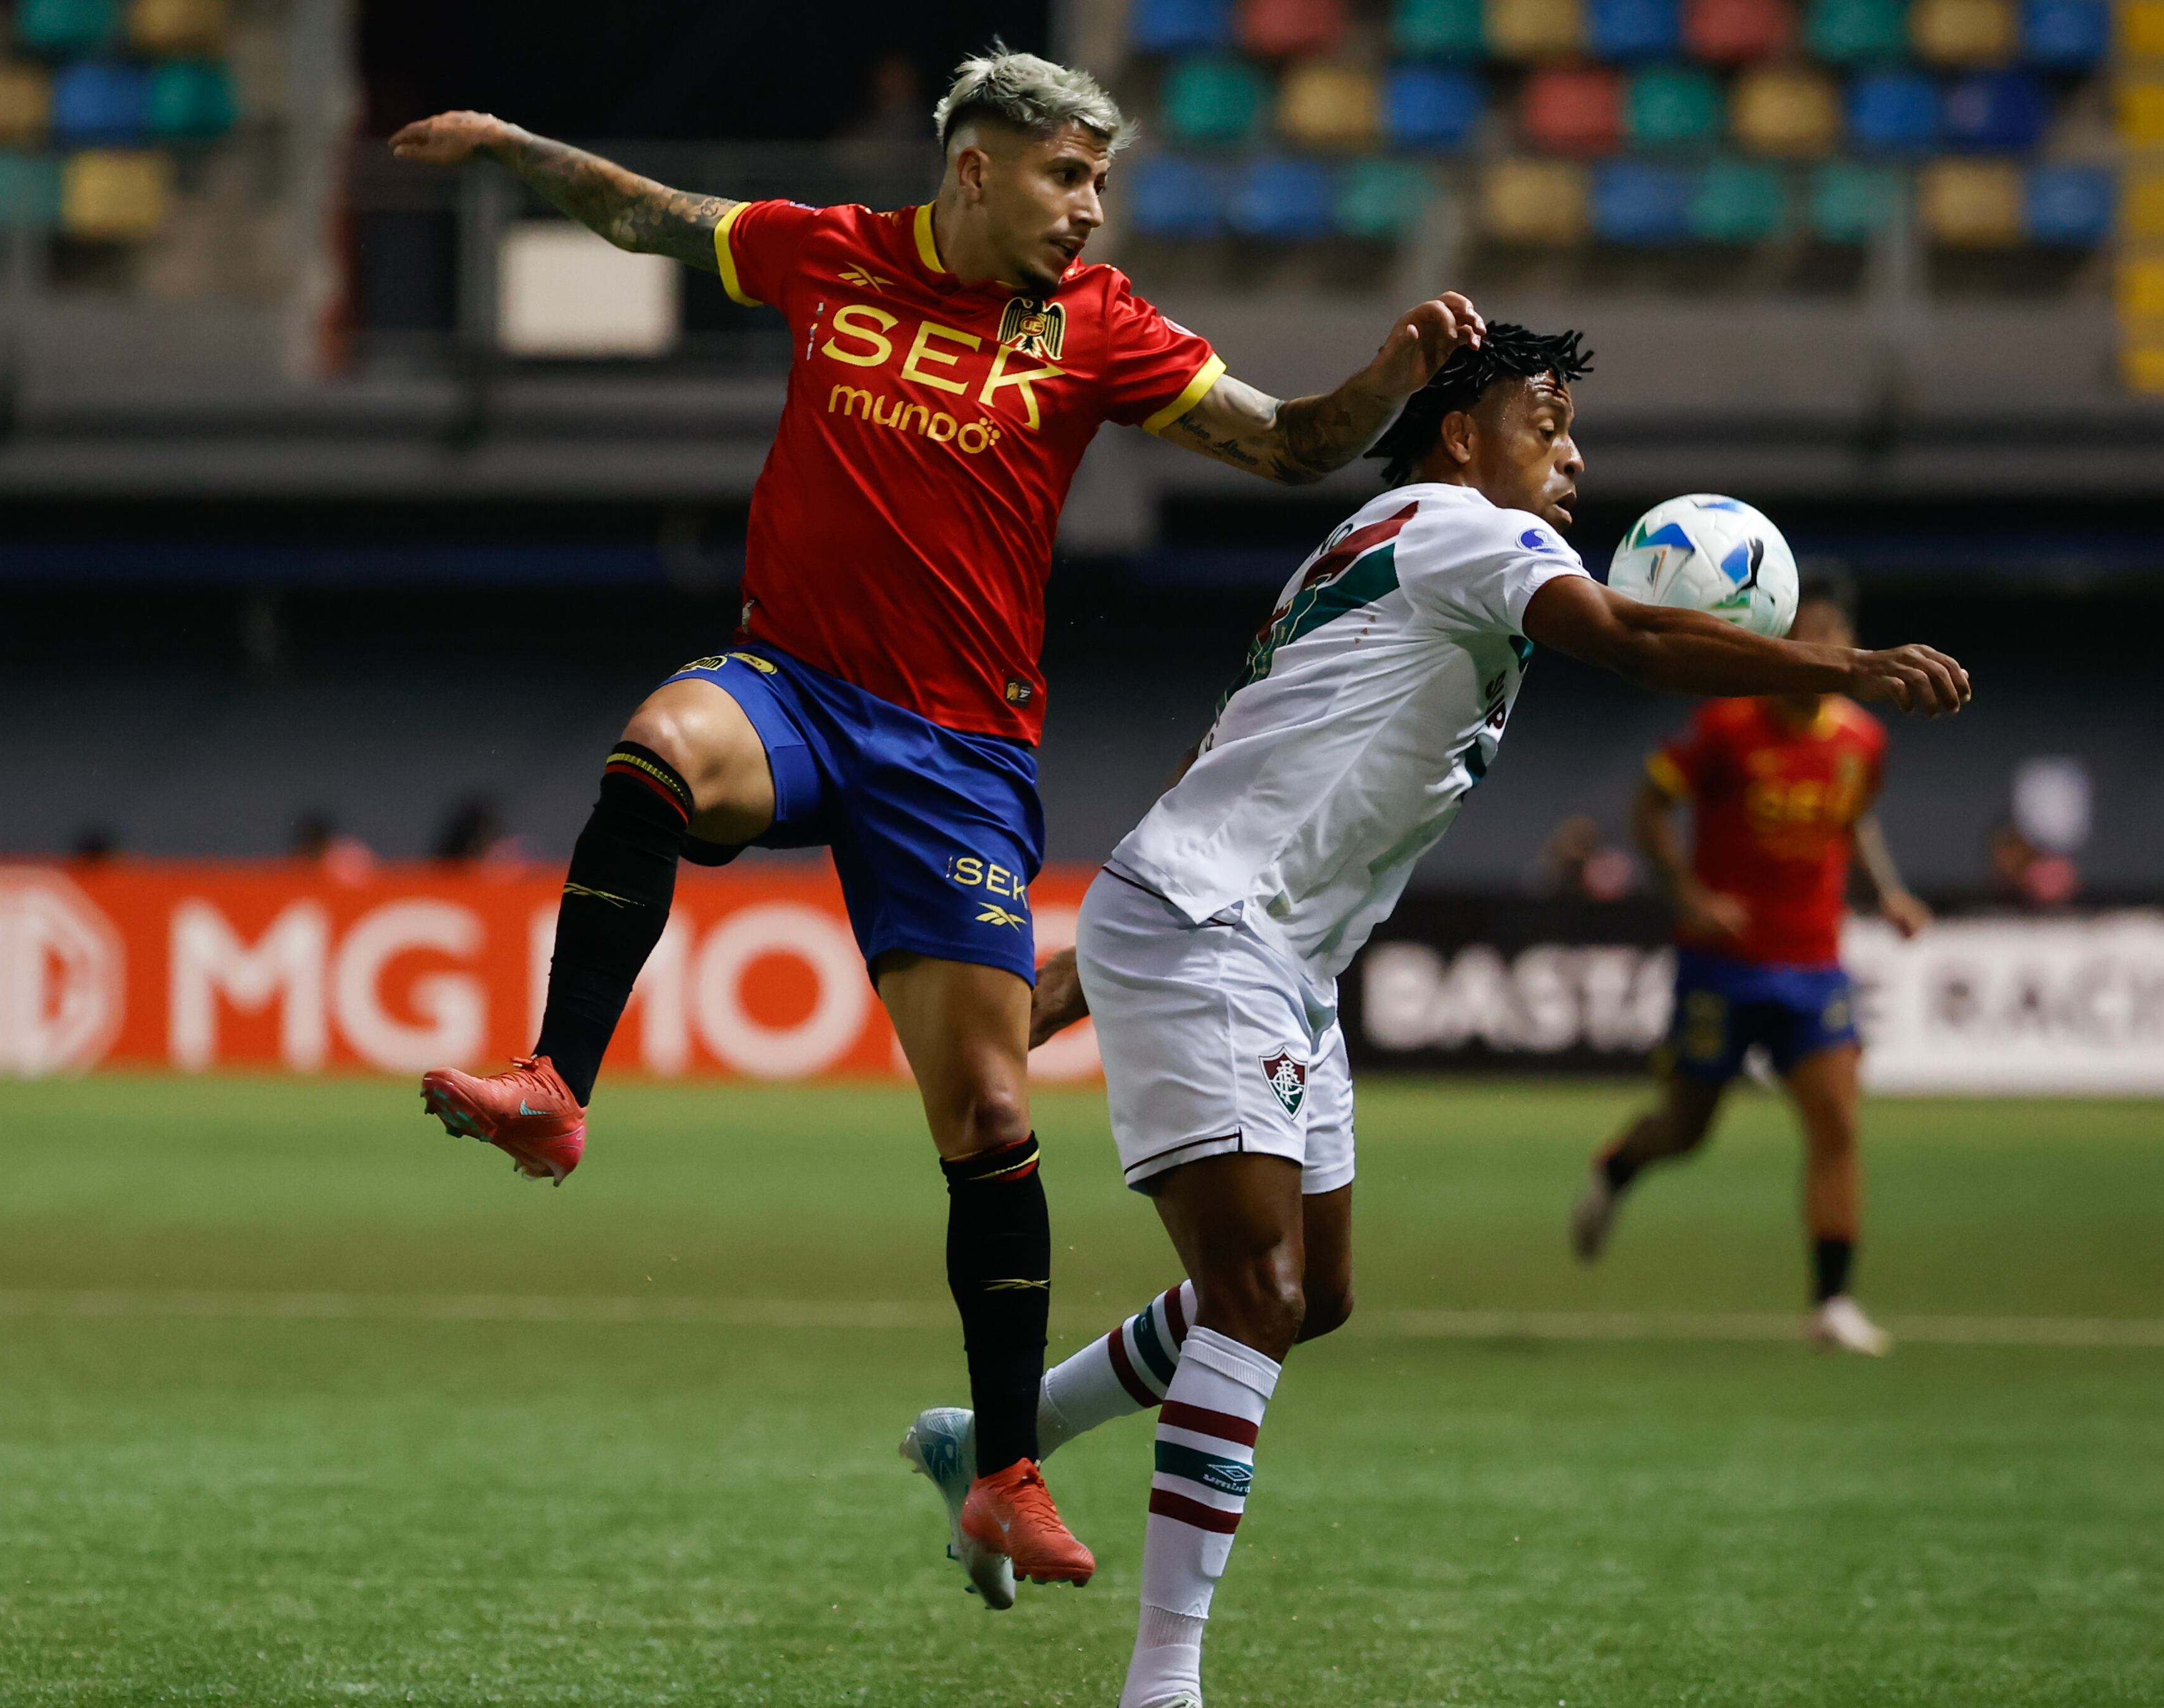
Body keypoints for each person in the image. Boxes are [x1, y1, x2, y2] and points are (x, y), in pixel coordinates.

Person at [389, 46, 1494, 1598]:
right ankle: (554, 1084)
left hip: (959, 759)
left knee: (985, 1121)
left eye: (1100, 184)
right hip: (792, 684)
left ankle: (1003, 1474)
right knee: (656, 748)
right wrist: (512, 140)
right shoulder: (825, 250)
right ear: (976, 167)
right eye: (1067, 178)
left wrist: (1383, 383)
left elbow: (1289, 441)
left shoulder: (1097, 330)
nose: (1090, 213)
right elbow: (644, 218)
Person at [904, 326, 1969, 1708]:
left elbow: (1233, 762)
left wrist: (1078, 973)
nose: (1575, 453)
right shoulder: (1466, 530)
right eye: (1549, 420)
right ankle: (1156, 1697)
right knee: (1256, 1289)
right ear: (1462, 433)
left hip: (1271, 951)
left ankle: (999, 1431)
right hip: (1223, 938)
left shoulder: (1390, 536)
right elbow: (1638, 638)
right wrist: (1837, 663)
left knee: (1310, 1293)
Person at [1565, 574, 1935, 1356]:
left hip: (1814, 965)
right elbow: (1649, 807)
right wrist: (1689, 891)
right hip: (1721, 967)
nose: (1820, 649)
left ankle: (1831, 1303)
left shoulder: (1863, 741)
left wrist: (1891, 893)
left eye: (1832, 634)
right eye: (1806, 634)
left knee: (1837, 1123)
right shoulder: (1724, 729)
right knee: (1689, 1128)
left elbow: (1854, 822)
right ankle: (1618, 1164)